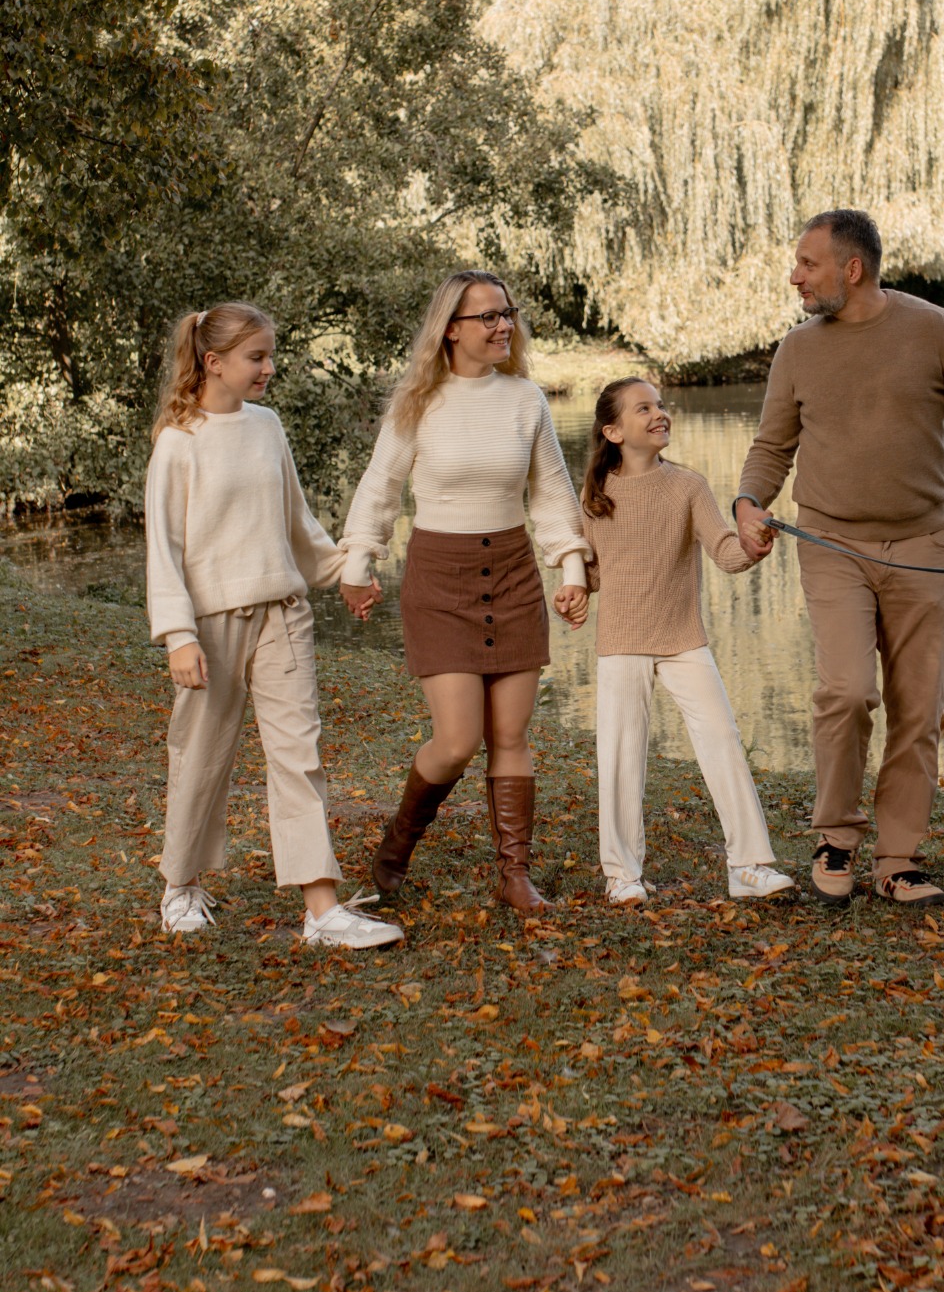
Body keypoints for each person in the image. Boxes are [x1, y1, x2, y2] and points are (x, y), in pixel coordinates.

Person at [734, 210, 944, 909]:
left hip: (922, 545)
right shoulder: (797, 349)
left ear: (851, 269)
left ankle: (898, 857)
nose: (795, 276)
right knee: (846, 690)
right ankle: (835, 837)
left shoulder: (936, 330)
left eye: (808, 264)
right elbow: (772, 445)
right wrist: (747, 502)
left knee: (918, 708)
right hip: (831, 545)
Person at [145, 303, 404, 950]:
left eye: (270, 355)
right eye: (256, 357)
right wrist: (178, 634)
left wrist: (343, 572)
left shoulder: (267, 426)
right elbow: (164, 548)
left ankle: (322, 910)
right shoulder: (178, 442)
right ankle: (180, 885)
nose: (268, 368)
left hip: (283, 614)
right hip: (211, 625)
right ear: (213, 362)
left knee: (298, 756)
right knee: (202, 754)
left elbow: (297, 522)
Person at [339, 271, 590, 917]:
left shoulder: (526, 400)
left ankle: (515, 875)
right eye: (488, 316)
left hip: (511, 571)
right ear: (451, 328)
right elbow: (379, 488)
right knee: (456, 741)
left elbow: (552, 492)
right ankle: (397, 846)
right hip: (440, 576)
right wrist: (359, 562)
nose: (504, 326)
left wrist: (571, 569)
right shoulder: (418, 402)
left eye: (507, 313)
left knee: (510, 732)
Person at [581, 378, 796, 906]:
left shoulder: (688, 486)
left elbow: (723, 550)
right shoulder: (594, 496)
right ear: (613, 431)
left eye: (659, 405)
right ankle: (622, 875)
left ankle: (748, 866)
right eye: (643, 408)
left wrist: (752, 546)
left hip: (682, 637)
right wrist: (572, 590)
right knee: (620, 754)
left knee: (722, 738)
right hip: (622, 640)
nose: (659, 413)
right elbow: (591, 572)